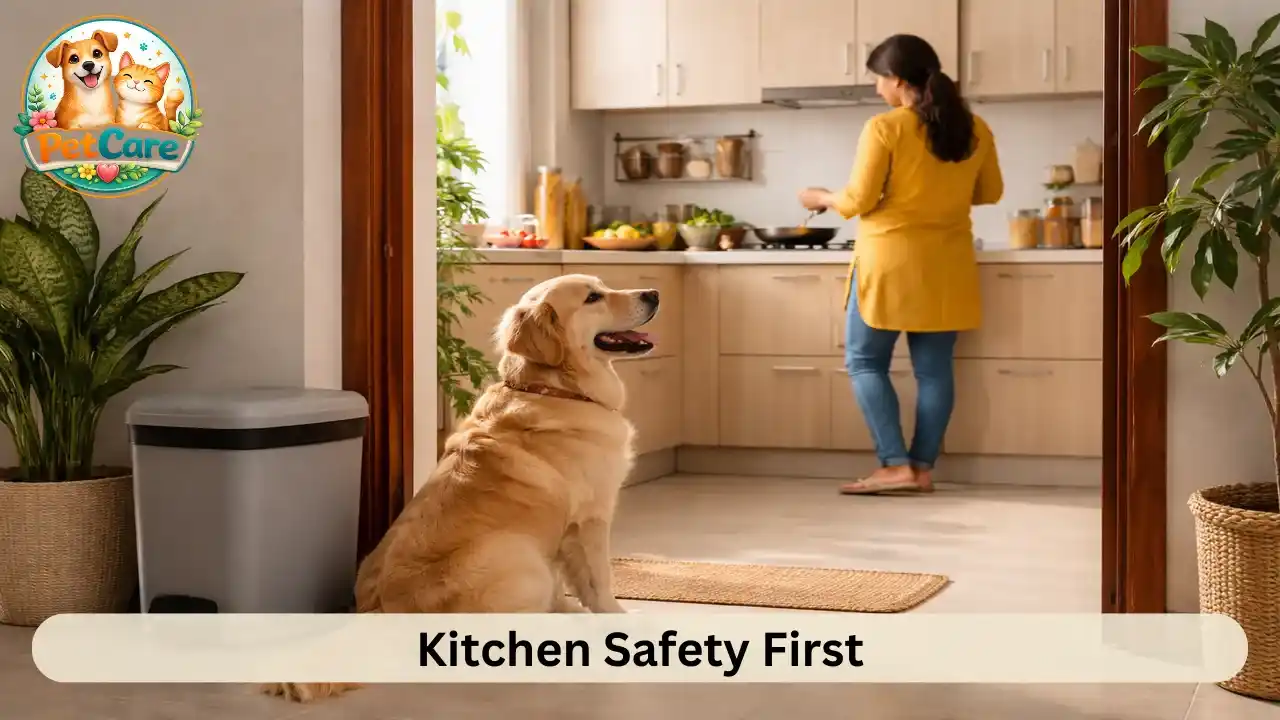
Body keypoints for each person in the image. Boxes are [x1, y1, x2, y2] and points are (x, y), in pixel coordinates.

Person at [798, 34, 1003, 495]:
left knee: (865, 362)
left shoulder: (884, 127)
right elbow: (989, 192)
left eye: (878, 79)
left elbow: (858, 200)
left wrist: (821, 197)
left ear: (896, 79)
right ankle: (921, 468)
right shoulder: (975, 127)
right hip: (948, 264)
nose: (876, 88)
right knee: (935, 371)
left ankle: (894, 466)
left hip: (888, 263)